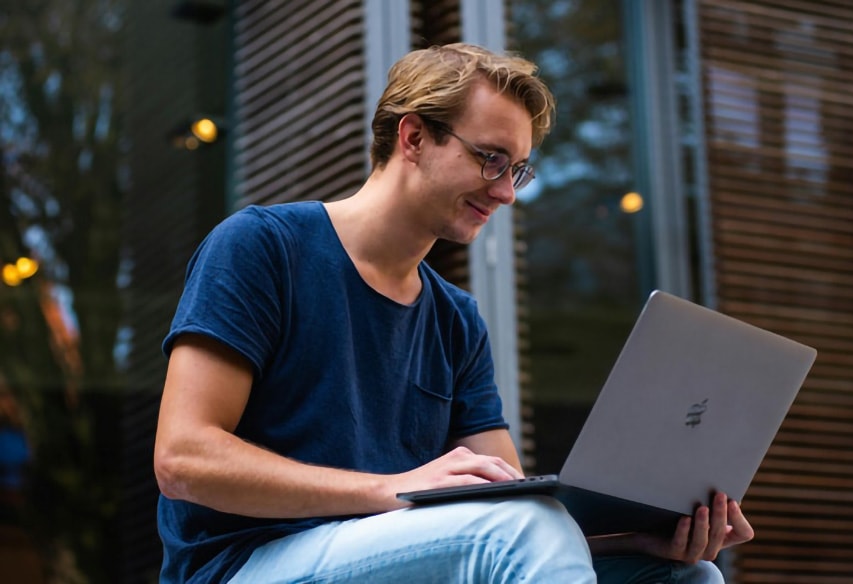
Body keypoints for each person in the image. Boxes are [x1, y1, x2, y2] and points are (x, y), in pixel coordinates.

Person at [154, 42, 753, 584]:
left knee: (686, 578)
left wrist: (637, 537)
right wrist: (393, 489)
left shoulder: (455, 319)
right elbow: (183, 459)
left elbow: (514, 506)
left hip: (392, 556)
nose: (507, 192)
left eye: (517, 169)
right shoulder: (263, 246)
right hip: (243, 566)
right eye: (491, 158)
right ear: (413, 138)